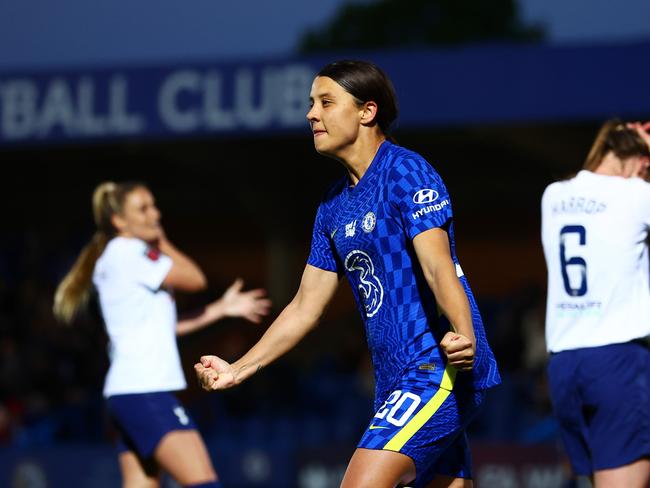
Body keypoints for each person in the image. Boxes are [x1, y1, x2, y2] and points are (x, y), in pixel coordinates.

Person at [195, 60, 500, 488]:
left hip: (436, 369)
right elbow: (304, 307)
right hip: (394, 381)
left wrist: (463, 335)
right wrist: (238, 369)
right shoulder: (332, 206)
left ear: (366, 111)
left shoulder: (405, 172)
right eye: (310, 104)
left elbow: (438, 266)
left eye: (325, 102)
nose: (310, 114)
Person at [53, 181, 271, 488]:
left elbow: (163, 326)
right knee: (204, 484)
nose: (155, 214)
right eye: (143, 209)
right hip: (145, 392)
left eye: (154, 206)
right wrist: (162, 241)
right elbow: (195, 279)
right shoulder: (130, 252)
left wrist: (220, 309)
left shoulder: (118, 257)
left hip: (125, 395)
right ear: (119, 221)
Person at [541, 120, 650, 487]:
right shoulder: (637, 194)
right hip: (617, 360)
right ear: (637, 160)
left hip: (564, 365)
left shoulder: (554, 195)